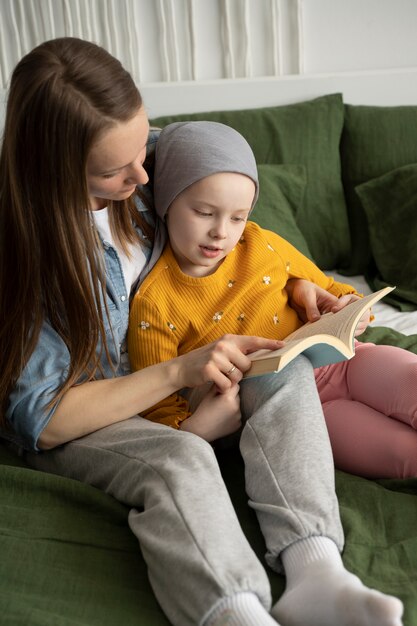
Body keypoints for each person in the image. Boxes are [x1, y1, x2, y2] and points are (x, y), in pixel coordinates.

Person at [0, 37, 404, 626]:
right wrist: (182, 379)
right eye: (116, 170)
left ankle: (316, 570)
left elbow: (229, 212)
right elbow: (45, 417)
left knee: (280, 368)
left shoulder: (148, 157)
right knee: (179, 459)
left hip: (189, 374)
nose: (144, 173)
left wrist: (296, 287)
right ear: (55, 168)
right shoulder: (24, 253)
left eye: (144, 146)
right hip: (93, 411)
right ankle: (238, 613)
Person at [128, 120, 417, 482]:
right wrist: (197, 430)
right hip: (300, 412)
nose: (221, 232)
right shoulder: (154, 302)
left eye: (238, 217)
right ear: (166, 200)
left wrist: (352, 312)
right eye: (203, 212)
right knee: (405, 455)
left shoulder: (259, 242)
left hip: (348, 362)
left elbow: (336, 291)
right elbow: (158, 408)